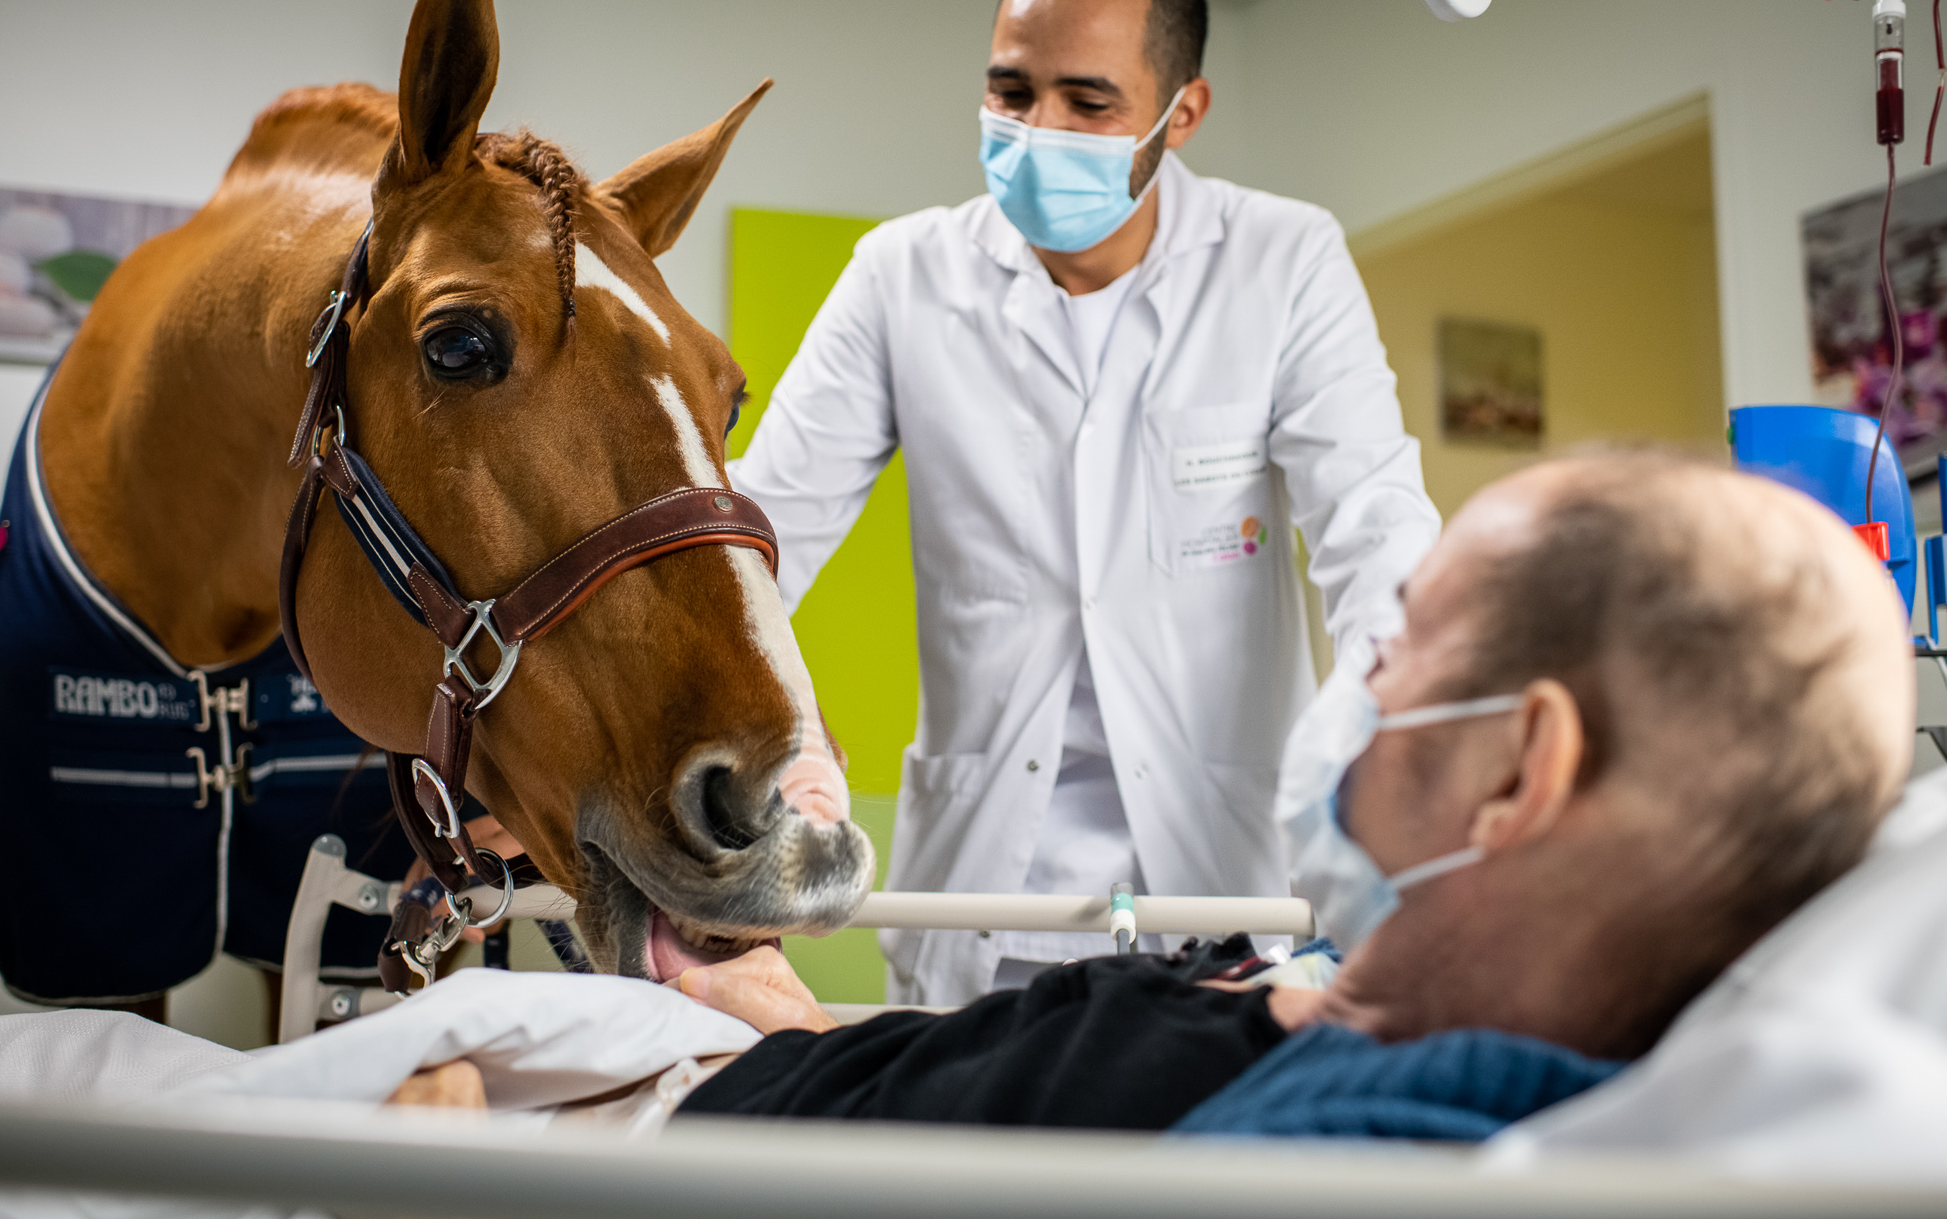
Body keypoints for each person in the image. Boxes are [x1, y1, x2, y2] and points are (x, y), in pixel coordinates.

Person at [660, 451, 1912, 1131]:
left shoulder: (1319, 1138)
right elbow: (965, 1093)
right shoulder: (1298, 1013)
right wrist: (783, 1018)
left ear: (1515, 772)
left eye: (1399, 640)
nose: (1358, 678)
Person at [728, 0, 1440, 1005]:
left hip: (1216, 899)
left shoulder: (1281, 261)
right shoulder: (902, 276)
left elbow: (1375, 531)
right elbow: (759, 536)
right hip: (982, 902)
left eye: (1087, 101)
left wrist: (1405, 757)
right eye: (1011, 92)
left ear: (1181, 113)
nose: (1038, 128)